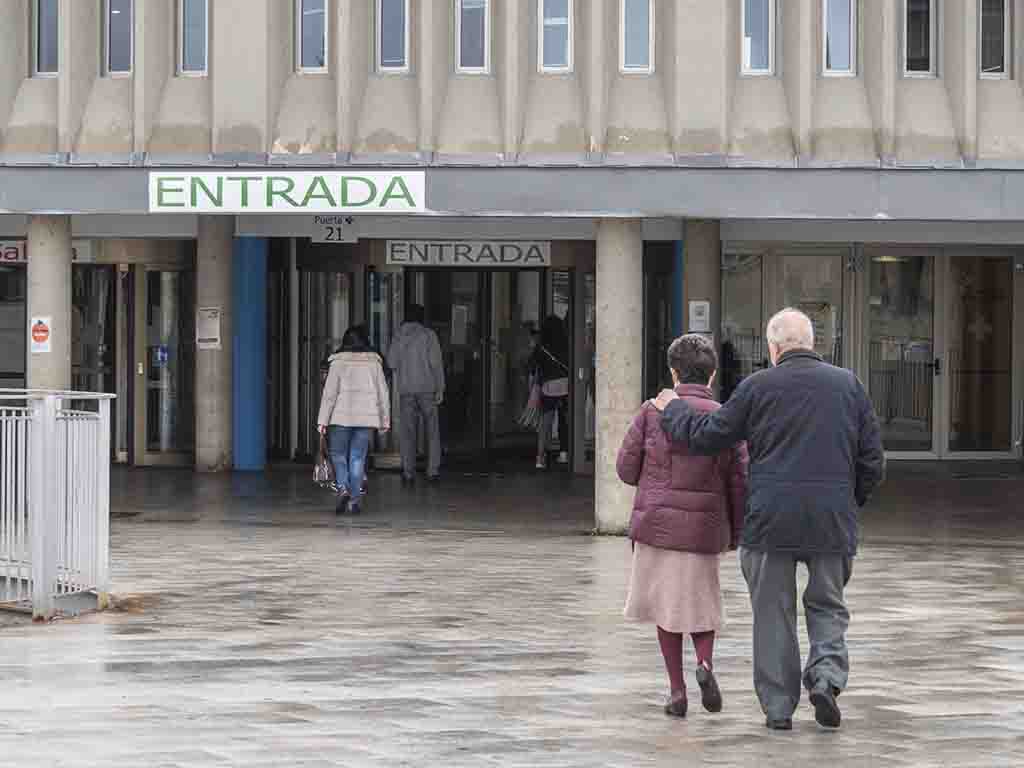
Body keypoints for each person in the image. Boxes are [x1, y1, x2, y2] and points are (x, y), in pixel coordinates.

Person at [652, 309, 884, 731]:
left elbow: (708, 435)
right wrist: (850, 502)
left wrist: (672, 410)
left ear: (773, 348)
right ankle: (826, 681)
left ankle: (779, 710)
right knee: (828, 605)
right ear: (813, 344)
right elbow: (872, 460)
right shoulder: (849, 386)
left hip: (770, 521)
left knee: (772, 613)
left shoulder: (758, 386)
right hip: (831, 519)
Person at [618, 335, 748, 718]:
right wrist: (735, 531)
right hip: (704, 529)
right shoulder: (725, 416)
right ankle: (705, 665)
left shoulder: (650, 411)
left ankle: (677, 691)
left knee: (665, 609)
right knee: (701, 605)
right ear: (711, 376)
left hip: (657, 525)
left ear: (673, 372)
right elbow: (741, 480)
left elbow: (626, 469)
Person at [317, 327, 391, 516]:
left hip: (340, 417)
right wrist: (384, 419)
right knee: (358, 457)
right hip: (365, 417)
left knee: (338, 454)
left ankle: (343, 489)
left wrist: (322, 420)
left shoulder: (337, 362)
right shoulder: (374, 363)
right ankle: (355, 500)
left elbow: (329, 394)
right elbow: (383, 394)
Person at [387, 305, 445, 484]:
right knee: (432, 431)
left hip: (406, 390)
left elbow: (391, 362)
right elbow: (436, 363)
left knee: (407, 432)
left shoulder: (398, 335)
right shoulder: (429, 335)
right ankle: (433, 470)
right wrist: (440, 387)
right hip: (427, 388)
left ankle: (407, 472)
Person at [531, 315, 571, 469]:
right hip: (566, 385)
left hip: (549, 387)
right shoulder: (566, 343)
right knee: (564, 420)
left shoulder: (541, 346)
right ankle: (564, 452)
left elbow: (533, 365)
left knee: (545, 422)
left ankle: (540, 457)